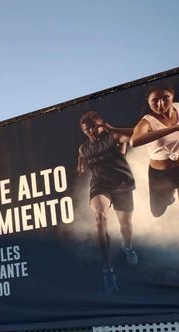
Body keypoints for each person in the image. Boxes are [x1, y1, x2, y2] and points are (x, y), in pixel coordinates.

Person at [76, 110, 137, 294]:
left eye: (94, 127)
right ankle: (108, 271)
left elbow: (140, 133)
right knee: (99, 219)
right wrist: (79, 165)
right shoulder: (83, 148)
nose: (91, 131)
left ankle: (128, 247)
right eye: (87, 129)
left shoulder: (114, 136)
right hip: (100, 186)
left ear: (102, 124)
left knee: (126, 226)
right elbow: (81, 157)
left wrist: (114, 128)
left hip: (122, 184)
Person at [130, 83, 179, 217]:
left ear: (172, 95)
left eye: (165, 98)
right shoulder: (146, 122)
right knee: (157, 212)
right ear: (148, 101)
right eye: (155, 100)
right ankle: (169, 196)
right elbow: (134, 141)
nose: (160, 104)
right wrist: (174, 128)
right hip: (160, 174)